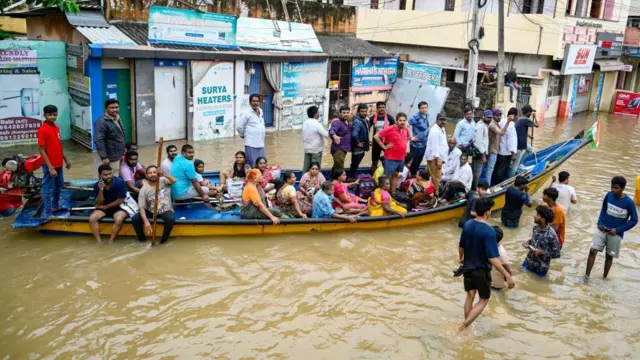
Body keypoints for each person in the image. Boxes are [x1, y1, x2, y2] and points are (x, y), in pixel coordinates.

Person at [458, 197, 515, 330]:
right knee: (484, 299)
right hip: (481, 270)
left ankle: (467, 324)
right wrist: (507, 275)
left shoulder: (468, 224)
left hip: (467, 267)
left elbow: (461, 245)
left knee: (470, 295)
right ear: (487, 212)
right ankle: (463, 326)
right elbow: (492, 258)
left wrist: (460, 258)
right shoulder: (489, 231)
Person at [586, 176, 638, 279]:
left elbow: (634, 220)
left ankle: (604, 277)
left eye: (616, 188)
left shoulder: (629, 203)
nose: (613, 190)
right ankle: (586, 277)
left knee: (609, 256)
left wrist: (617, 230)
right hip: (602, 228)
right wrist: (599, 222)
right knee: (592, 250)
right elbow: (604, 209)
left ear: (623, 189)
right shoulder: (608, 195)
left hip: (616, 233)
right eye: (612, 187)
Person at [37, 104, 71, 218]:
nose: (53, 117)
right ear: (45, 115)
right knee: (47, 189)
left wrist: (65, 159)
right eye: (50, 115)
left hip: (59, 163)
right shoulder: (43, 130)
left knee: (59, 185)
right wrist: (50, 167)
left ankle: (55, 206)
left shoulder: (56, 127)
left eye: (55, 114)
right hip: (49, 165)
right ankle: (47, 213)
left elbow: (58, 145)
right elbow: (41, 150)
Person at [131, 165, 176, 244]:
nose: (152, 174)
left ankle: (163, 241)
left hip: (165, 209)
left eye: (154, 172)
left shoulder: (163, 180)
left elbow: (174, 180)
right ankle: (142, 240)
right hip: (151, 210)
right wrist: (146, 222)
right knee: (135, 218)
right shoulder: (144, 189)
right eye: (150, 173)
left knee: (170, 219)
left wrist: (164, 173)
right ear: (147, 175)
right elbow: (141, 207)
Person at [88, 165, 129, 243]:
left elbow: (120, 200)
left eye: (110, 174)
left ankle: (111, 240)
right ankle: (99, 241)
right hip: (103, 207)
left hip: (119, 207)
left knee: (119, 219)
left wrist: (106, 207)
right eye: (105, 175)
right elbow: (98, 203)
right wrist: (100, 190)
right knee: (92, 218)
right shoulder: (97, 185)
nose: (109, 176)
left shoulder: (120, 182)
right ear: (100, 175)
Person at [521, 205, 561, 277]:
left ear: (543, 219)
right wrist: (528, 242)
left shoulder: (552, 235)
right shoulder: (535, 228)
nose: (534, 216)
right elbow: (534, 240)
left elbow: (557, 254)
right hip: (528, 261)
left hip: (541, 267)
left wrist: (542, 252)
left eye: (538, 215)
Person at [373, 112, 415, 177]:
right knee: (388, 177)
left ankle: (393, 188)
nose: (402, 122)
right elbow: (376, 136)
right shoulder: (390, 128)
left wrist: (412, 138)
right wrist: (384, 147)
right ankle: (386, 187)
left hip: (401, 158)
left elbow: (408, 137)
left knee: (396, 175)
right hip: (391, 158)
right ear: (396, 121)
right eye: (400, 120)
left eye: (404, 120)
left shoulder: (406, 129)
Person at [94, 99, 126, 169]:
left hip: (120, 154)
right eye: (112, 108)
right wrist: (104, 157)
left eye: (116, 107)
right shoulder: (101, 122)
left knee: (119, 175)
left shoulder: (118, 118)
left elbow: (120, 135)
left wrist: (124, 148)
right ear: (105, 109)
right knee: (112, 176)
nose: (115, 109)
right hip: (111, 157)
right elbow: (99, 141)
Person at [237, 94, 266, 170]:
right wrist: (242, 134)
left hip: (261, 143)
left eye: (257, 101)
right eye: (253, 101)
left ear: (259, 102)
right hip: (251, 143)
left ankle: (260, 180)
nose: (255, 103)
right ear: (250, 102)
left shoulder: (261, 111)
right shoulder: (246, 113)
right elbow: (239, 126)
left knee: (261, 163)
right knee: (252, 164)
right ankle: (252, 180)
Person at [486, 109, 513, 186]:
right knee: (489, 170)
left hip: (494, 150)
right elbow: (501, 133)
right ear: (493, 116)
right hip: (492, 150)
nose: (499, 117)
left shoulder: (496, 124)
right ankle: (487, 187)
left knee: (491, 169)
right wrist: (508, 121)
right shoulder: (492, 125)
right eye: (497, 115)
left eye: (500, 115)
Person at [510, 104, 538, 177]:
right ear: (528, 112)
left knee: (530, 149)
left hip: (518, 142)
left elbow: (520, 130)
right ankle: (510, 180)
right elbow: (537, 125)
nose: (531, 114)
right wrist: (535, 117)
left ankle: (520, 163)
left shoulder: (519, 119)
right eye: (531, 112)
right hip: (519, 144)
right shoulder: (526, 119)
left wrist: (528, 136)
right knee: (514, 166)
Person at [493, 107, 518, 185]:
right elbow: (511, 141)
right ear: (514, 116)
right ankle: (499, 185)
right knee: (502, 170)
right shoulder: (510, 125)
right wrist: (513, 153)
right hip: (506, 152)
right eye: (517, 115)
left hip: (499, 150)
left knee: (497, 168)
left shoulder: (501, 121)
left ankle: (494, 182)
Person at [370, 101, 396, 174]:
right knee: (374, 161)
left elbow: (395, 129)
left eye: (383, 107)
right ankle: (373, 177)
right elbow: (367, 129)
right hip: (376, 142)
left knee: (388, 160)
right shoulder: (373, 118)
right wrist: (368, 140)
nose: (382, 109)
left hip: (386, 142)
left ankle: (387, 175)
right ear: (377, 108)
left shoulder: (390, 118)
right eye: (380, 107)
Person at [426, 114, 448, 197]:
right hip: (434, 158)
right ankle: (436, 196)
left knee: (432, 176)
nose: (442, 121)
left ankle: (430, 193)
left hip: (439, 157)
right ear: (437, 120)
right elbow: (434, 146)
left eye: (444, 120)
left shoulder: (442, 128)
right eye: (441, 120)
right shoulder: (435, 130)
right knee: (436, 178)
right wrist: (438, 159)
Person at [302, 105, 329, 173]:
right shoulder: (317, 124)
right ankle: (314, 182)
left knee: (306, 167)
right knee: (315, 169)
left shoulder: (305, 123)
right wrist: (331, 127)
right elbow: (326, 134)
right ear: (316, 114)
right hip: (316, 151)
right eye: (318, 112)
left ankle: (303, 180)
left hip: (307, 149)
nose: (319, 114)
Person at [329, 106, 352, 178]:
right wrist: (334, 136)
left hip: (344, 149)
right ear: (340, 113)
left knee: (336, 166)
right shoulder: (337, 122)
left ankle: (331, 181)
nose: (346, 114)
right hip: (338, 149)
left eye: (347, 113)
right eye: (344, 113)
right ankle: (339, 185)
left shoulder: (347, 121)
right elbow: (331, 130)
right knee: (340, 169)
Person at [408, 101, 430, 176]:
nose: (424, 109)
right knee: (413, 162)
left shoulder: (427, 115)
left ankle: (414, 175)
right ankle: (410, 176)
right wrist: (410, 137)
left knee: (419, 161)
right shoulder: (415, 117)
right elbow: (405, 126)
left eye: (425, 108)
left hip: (424, 144)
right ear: (419, 109)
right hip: (415, 145)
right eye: (422, 108)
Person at [350, 104, 370, 179]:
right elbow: (354, 135)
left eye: (365, 111)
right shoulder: (357, 121)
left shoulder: (364, 120)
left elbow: (365, 132)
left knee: (357, 161)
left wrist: (368, 141)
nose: (364, 113)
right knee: (355, 163)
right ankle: (351, 177)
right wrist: (358, 142)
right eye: (362, 111)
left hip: (361, 146)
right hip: (357, 147)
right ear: (358, 112)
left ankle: (352, 176)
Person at [471, 109, 490, 190]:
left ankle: (473, 188)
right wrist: (483, 156)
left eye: (491, 117)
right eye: (488, 117)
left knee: (475, 171)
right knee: (477, 173)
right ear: (484, 116)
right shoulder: (480, 126)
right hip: (480, 153)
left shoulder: (484, 125)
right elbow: (478, 143)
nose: (490, 119)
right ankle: (475, 189)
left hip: (480, 152)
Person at [490, 226, 513, 290]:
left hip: (495, 284)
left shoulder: (500, 253)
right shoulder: (490, 247)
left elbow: (507, 270)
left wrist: (509, 280)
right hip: (488, 280)